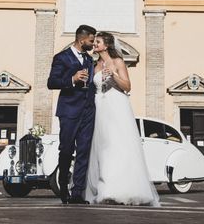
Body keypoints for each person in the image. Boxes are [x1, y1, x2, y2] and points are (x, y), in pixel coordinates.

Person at [84, 31, 159, 206]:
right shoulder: (94, 65)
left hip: (116, 106)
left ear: (107, 45)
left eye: (98, 42)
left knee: (117, 146)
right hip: (99, 107)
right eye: (94, 42)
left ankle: (118, 188)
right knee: (101, 149)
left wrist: (114, 75)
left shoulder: (118, 62)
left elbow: (127, 86)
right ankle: (102, 187)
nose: (94, 44)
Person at [47, 24, 97, 205]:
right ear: (82, 39)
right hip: (69, 110)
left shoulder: (90, 60)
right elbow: (51, 82)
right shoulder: (62, 58)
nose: (92, 44)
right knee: (67, 149)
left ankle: (77, 193)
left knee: (84, 151)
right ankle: (62, 190)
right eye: (91, 41)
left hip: (88, 111)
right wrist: (72, 79)